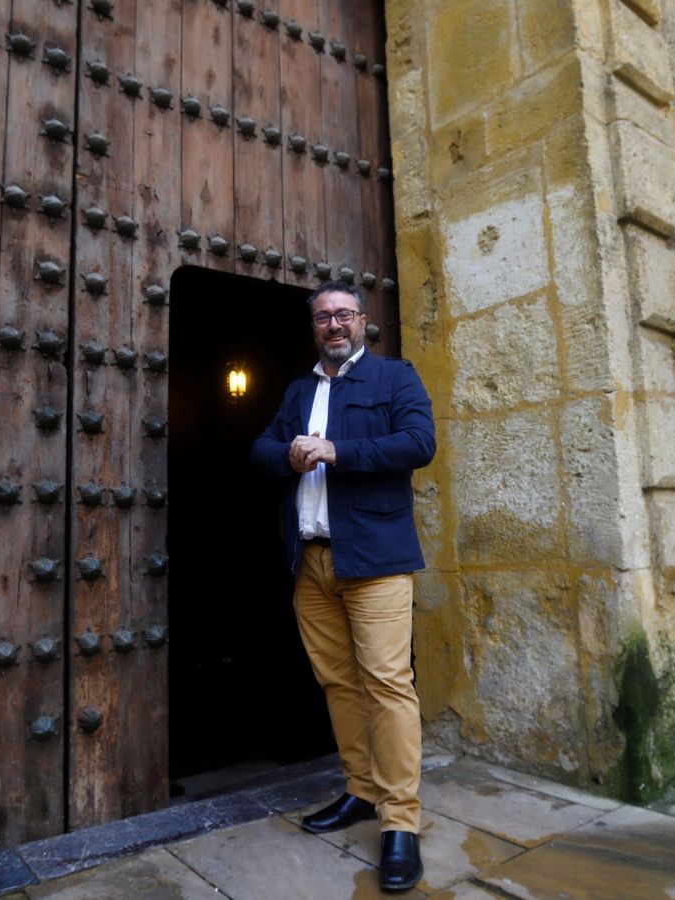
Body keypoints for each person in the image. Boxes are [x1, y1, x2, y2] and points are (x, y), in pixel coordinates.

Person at [251, 281, 436, 892]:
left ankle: (400, 823)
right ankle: (360, 790)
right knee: (338, 681)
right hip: (312, 561)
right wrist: (290, 458)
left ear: (363, 322)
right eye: (322, 317)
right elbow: (261, 450)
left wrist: (336, 450)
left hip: (377, 561)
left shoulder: (394, 379)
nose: (333, 325)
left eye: (343, 315)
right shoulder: (300, 390)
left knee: (387, 683)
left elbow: (418, 444)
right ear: (315, 329)